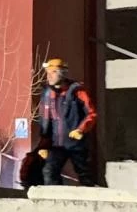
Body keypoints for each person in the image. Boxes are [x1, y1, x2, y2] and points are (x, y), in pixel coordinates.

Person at [35, 58, 98, 186]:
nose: (49, 76)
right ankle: (55, 201)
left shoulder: (77, 91)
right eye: (48, 72)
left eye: (53, 72)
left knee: (85, 175)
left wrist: (81, 129)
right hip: (57, 145)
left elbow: (92, 113)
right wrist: (43, 145)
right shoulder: (47, 94)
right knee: (49, 172)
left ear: (62, 73)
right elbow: (45, 122)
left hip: (76, 144)